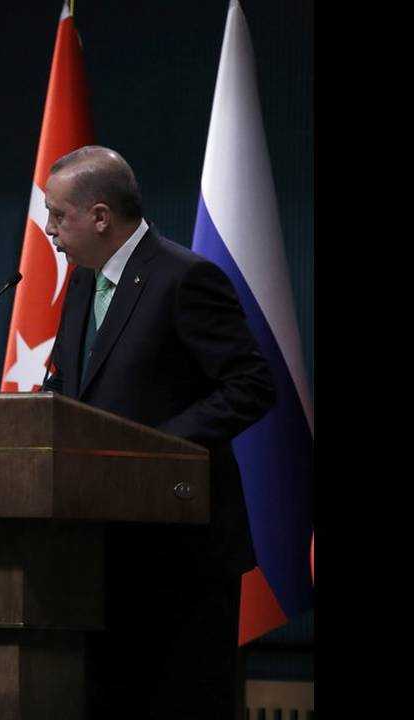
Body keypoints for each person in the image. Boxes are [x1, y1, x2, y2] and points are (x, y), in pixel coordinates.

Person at [40, 146, 275, 718]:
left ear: (100, 216)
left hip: (180, 555)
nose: (49, 230)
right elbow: (72, 388)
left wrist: (158, 447)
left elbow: (250, 385)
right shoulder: (83, 282)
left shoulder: (185, 278)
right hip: (101, 551)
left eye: (58, 215)